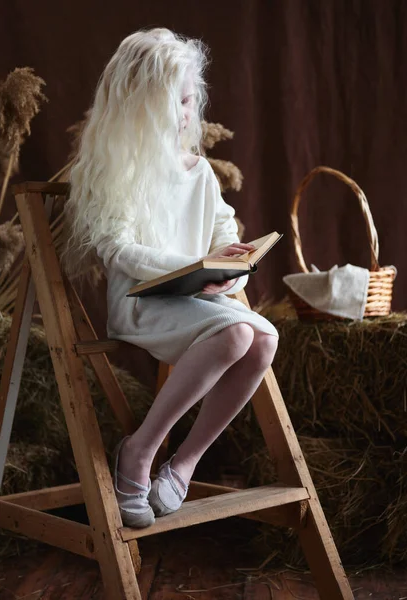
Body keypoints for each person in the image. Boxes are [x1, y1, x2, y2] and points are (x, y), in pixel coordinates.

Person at [63, 28, 279, 528]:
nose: (185, 113)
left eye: (188, 100)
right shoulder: (118, 171)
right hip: (143, 305)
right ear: (138, 106)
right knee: (236, 334)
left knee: (263, 340)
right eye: (173, 102)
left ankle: (184, 461)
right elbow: (116, 249)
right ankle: (141, 449)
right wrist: (187, 272)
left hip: (196, 301)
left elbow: (225, 229)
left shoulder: (197, 170)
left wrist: (229, 269)